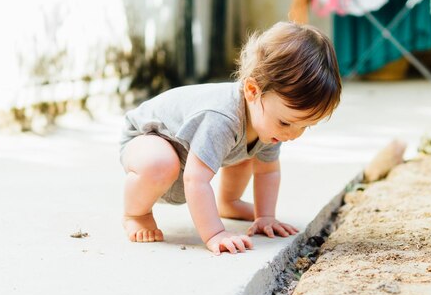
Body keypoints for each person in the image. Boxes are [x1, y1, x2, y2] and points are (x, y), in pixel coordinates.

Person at [119, 22, 342, 255]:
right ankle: (135, 214)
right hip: (148, 136)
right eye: (286, 122)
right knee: (161, 164)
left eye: (305, 126)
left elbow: (268, 171)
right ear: (252, 91)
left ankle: (229, 202)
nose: (293, 134)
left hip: (184, 148)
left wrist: (265, 216)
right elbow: (196, 180)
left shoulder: (267, 123)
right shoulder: (220, 118)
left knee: (249, 150)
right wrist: (215, 233)